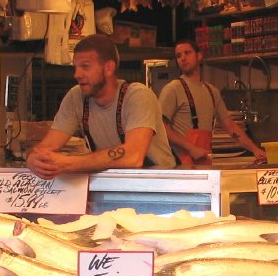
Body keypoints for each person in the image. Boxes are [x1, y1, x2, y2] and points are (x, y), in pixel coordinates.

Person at [27, 34, 176, 179]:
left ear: (109, 68)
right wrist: (33, 159)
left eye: (85, 66)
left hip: (158, 186)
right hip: (112, 186)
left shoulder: (138, 96)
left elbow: (133, 156)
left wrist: (67, 163)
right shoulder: (75, 97)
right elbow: (46, 147)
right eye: (76, 67)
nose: (77, 74)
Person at [158, 39, 266, 165]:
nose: (183, 58)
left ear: (199, 56)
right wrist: (191, 148)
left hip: (203, 161)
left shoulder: (212, 91)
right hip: (179, 164)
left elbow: (230, 126)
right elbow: (161, 127)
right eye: (178, 55)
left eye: (187, 53)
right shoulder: (173, 89)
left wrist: (255, 150)